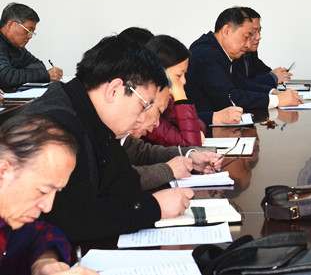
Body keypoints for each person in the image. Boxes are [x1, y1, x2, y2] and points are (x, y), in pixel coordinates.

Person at [25, 35, 194, 241]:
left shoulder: (95, 120)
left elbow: (124, 183)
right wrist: (154, 207)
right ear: (114, 90)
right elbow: (74, 220)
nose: (143, 119)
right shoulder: (56, 128)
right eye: (144, 106)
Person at [0, 114, 97, 275]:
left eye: (55, 192)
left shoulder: (9, 220)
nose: (47, 207)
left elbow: (42, 233)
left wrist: (45, 263)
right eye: (43, 191)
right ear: (3, 172)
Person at [185, 7, 302, 112]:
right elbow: (230, 98)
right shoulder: (206, 54)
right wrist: (277, 100)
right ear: (226, 31)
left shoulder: (220, 51)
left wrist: (273, 92)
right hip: (205, 127)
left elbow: (242, 84)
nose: (248, 45)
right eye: (246, 37)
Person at [125, 80, 222, 191]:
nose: (183, 81)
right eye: (178, 75)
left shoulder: (163, 97)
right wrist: (168, 170)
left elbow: (141, 152)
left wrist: (189, 156)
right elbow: (117, 179)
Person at [144, 35, 241, 146]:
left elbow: (199, 126)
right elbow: (192, 143)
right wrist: (181, 98)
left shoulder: (169, 101)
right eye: (179, 75)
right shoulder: (146, 110)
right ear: (160, 74)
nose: (184, 81)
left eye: (184, 74)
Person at [0, 3, 63, 90]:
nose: (30, 36)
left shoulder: (18, 48)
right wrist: (44, 75)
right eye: (28, 30)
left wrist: (17, 75)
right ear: (10, 25)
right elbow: (7, 77)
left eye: (32, 32)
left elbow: (39, 66)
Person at [233, 7, 292, 89]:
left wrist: (276, 73)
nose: (259, 37)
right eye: (253, 32)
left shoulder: (250, 52)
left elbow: (261, 71)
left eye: (259, 31)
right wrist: (272, 77)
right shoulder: (232, 54)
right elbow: (241, 85)